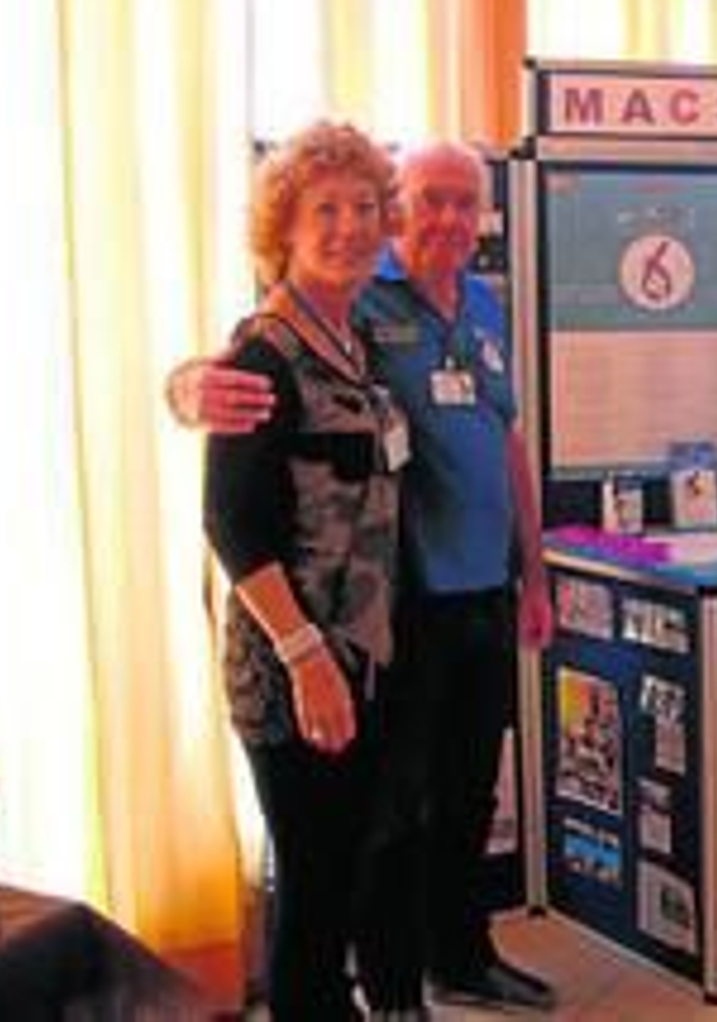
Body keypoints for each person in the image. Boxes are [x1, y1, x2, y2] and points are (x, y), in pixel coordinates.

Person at [174, 140, 557, 1012]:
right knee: (383, 824)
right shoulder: (356, 298)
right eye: (431, 200)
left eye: (467, 203)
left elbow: (506, 440)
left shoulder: (474, 307)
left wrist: (532, 574)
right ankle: (390, 987)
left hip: (480, 598)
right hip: (390, 615)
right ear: (401, 211)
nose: (450, 219)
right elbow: (237, 438)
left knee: (465, 794)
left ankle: (456, 956)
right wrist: (190, 384)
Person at [202, 120, 412, 1019]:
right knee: (315, 889)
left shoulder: (352, 336)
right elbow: (232, 522)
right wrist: (306, 658)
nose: (349, 225)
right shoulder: (262, 355)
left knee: (339, 873)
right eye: (324, 209)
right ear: (283, 229)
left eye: (366, 206)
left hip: (358, 654)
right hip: (296, 670)